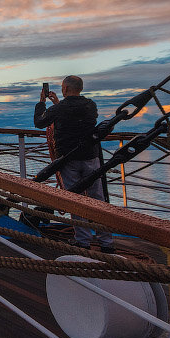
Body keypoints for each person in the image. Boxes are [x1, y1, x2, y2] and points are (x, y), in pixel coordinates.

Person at [33, 75, 114, 253]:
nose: (61, 89)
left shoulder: (61, 108)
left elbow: (40, 122)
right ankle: (106, 241)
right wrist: (57, 104)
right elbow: (73, 116)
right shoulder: (90, 105)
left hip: (68, 160)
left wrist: (42, 102)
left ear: (66, 89)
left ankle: (83, 240)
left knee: (75, 199)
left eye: (63, 87)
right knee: (98, 200)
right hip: (91, 157)